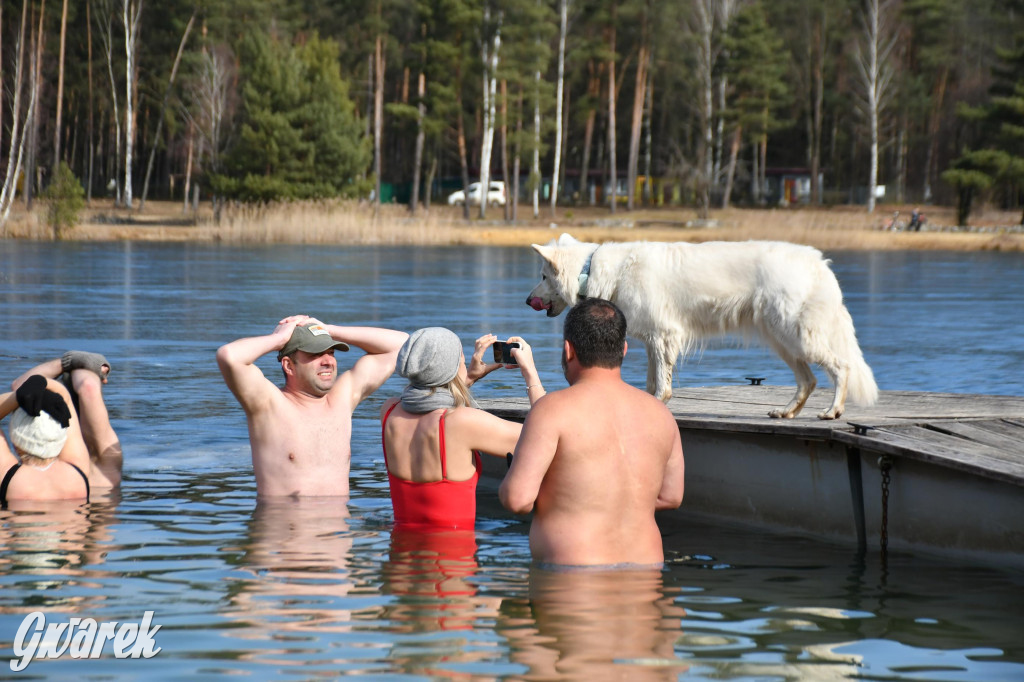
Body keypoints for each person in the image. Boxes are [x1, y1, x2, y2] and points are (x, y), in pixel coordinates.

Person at [499, 298, 685, 568]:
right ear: (623, 350)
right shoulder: (661, 414)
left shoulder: (551, 410)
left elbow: (517, 500)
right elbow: (671, 497)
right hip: (646, 574)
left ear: (568, 350)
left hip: (574, 578)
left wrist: (560, 492)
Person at [217, 315, 408, 498]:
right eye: (315, 354)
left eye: (331, 353)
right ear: (289, 366)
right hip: (286, 526)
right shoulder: (268, 404)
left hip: (339, 529)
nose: (327, 362)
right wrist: (279, 339)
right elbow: (229, 355)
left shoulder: (342, 399)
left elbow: (401, 345)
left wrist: (329, 330)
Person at [380, 329, 545, 529]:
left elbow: (428, 398)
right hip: (452, 557)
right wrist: (529, 371)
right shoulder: (462, 423)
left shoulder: (389, 411)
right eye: (461, 359)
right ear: (450, 368)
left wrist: (469, 378)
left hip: (400, 552)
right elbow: (542, 436)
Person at [11, 351, 122, 488]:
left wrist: (68, 362)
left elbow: (19, 388)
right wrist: (82, 363)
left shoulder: (12, 476)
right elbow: (88, 386)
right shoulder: (97, 467)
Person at [1, 375, 91, 508]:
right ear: (61, 437)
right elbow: (64, 396)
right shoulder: (77, 468)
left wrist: (17, 397)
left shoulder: (8, 476)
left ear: (14, 443)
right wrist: (40, 382)